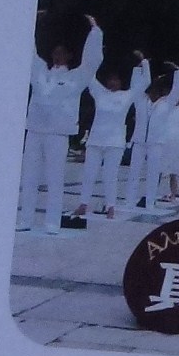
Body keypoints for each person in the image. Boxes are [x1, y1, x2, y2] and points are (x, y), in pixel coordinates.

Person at [22, 16, 104, 234]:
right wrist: (30, 20)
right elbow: (29, 51)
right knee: (29, 177)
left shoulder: (76, 77)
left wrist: (95, 32)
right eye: (55, 53)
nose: (58, 56)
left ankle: (52, 223)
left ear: (69, 56)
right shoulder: (40, 72)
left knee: (55, 179)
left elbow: (92, 61)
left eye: (62, 53)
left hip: (58, 134)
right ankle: (25, 220)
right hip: (35, 130)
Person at [85, 57, 144, 218]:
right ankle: (83, 203)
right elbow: (89, 76)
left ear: (120, 82)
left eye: (115, 80)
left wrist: (142, 64)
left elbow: (144, 83)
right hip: (95, 140)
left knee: (110, 176)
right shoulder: (99, 93)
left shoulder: (127, 95)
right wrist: (95, 56)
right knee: (89, 174)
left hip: (115, 143)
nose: (112, 82)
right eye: (110, 80)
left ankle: (111, 206)